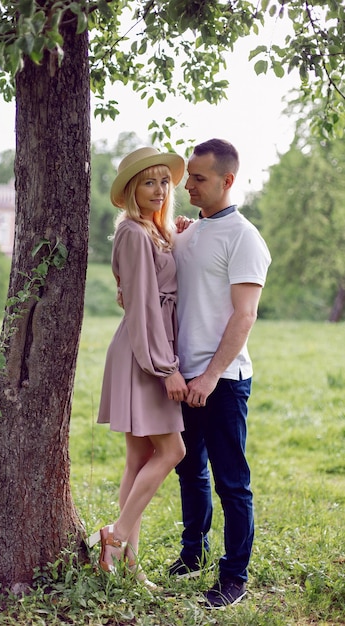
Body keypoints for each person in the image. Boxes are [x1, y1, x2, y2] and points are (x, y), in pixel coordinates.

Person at [170, 138, 272, 608]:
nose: (187, 184)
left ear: (228, 181)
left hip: (223, 381)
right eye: (188, 176)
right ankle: (193, 554)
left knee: (232, 482)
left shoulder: (245, 237)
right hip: (181, 376)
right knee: (190, 471)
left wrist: (210, 376)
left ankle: (234, 577)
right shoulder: (189, 231)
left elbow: (244, 315)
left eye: (199, 178)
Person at [88, 147, 188, 588]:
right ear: (132, 189)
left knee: (137, 458)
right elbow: (145, 307)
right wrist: (166, 367)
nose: (159, 189)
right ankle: (116, 536)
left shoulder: (155, 230)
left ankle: (128, 564)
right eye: (149, 182)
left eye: (164, 181)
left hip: (147, 348)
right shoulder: (132, 232)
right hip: (144, 353)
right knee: (172, 451)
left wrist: (179, 233)